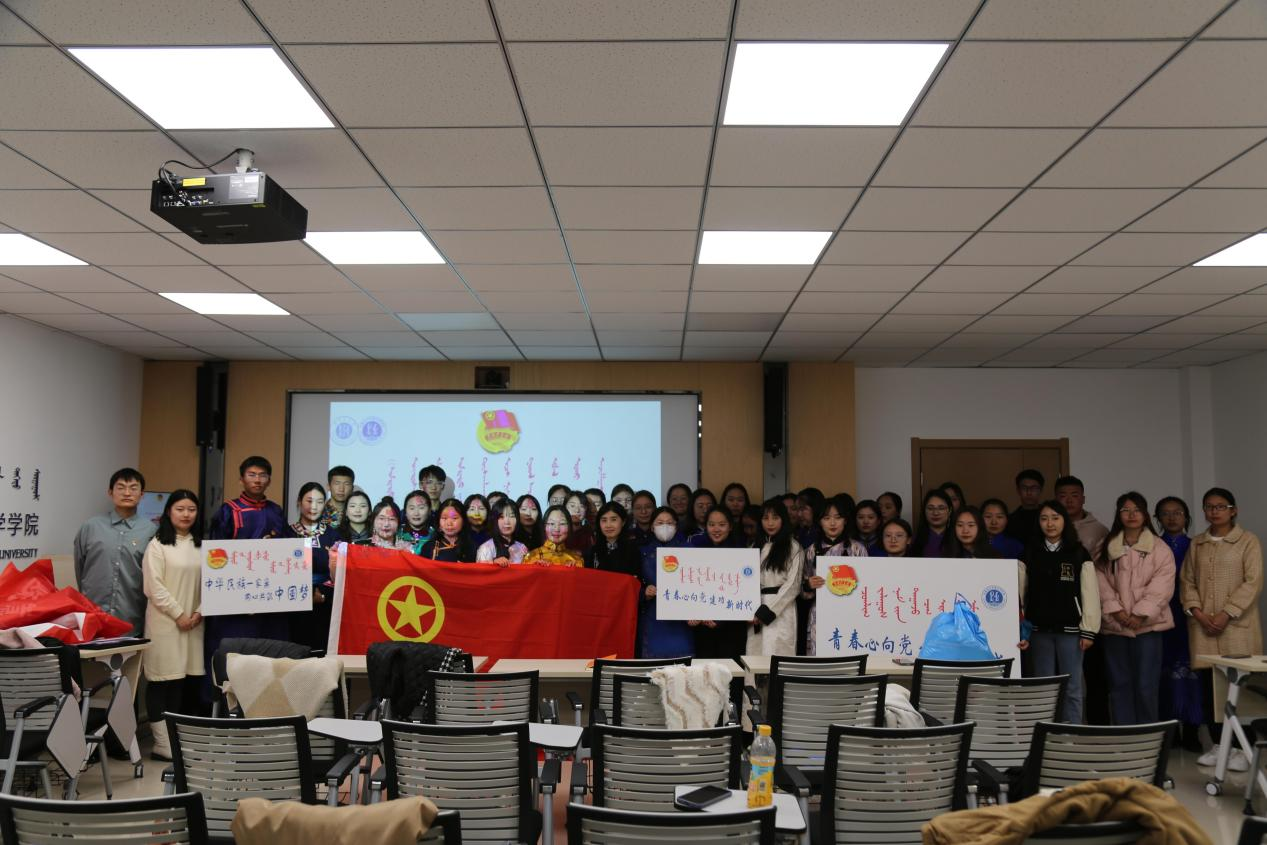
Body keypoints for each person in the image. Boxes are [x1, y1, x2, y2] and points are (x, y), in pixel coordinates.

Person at [1181, 487, 1263, 770]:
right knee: (1209, 689)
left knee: (1239, 688)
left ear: (1233, 510)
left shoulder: (1247, 541)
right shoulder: (1197, 544)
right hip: (1203, 626)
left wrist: (1227, 613)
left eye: (1220, 506)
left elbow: (1253, 582)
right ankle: (1219, 745)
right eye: (1209, 507)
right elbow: (1187, 582)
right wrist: (1198, 612)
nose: (1214, 511)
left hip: (1237, 627)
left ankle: (1242, 748)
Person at [1097, 492, 1175, 726]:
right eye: (1125, 510)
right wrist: (1116, 611)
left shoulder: (1159, 548)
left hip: (1148, 627)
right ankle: (1124, 735)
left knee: (1146, 685)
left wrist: (1140, 614)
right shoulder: (1106, 546)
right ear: (1118, 514)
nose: (1131, 515)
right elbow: (1098, 580)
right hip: (1115, 626)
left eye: (1137, 510)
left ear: (1145, 514)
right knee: (1119, 684)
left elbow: (1163, 584)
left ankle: (1147, 736)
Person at [1018, 500, 1100, 724]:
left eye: (1055, 518)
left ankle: (1071, 731)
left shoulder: (1078, 553)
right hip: (1038, 631)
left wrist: (1089, 630)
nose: (1050, 523)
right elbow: (1019, 595)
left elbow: (1090, 594)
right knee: (1043, 687)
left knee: (1072, 686)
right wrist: (1021, 629)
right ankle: (1044, 732)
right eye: (1044, 518)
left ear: (1065, 521)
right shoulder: (1030, 552)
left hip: (1071, 631)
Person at [142, 489, 205, 761]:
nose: (186, 514)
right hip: (166, 624)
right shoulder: (157, 545)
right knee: (161, 681)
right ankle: (161, 744)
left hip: (195, 623)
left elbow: (213, 583)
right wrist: (179, 614)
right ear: (169, 512)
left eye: (191, 509)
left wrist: (200, 611)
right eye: (180, 509)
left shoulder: (202, 545)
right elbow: (153, 587)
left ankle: (175, 740)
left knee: (181, 681)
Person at [205, 456, 290, 660]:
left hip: (270, 598)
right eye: (252, 475)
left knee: (270, 656)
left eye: (262, 475)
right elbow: (216, 559)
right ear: (241, 479)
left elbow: (287, 552)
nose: (257, 480)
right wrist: (240, 599)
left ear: (269, 480)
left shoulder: (276, 511)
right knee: (234, 657)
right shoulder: (228, 511)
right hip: (237, 601)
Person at [73, 467, 157, 636]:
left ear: (142, 495)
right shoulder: (91, 527)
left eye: (133, 488)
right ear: (110, 492)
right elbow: (80, 569)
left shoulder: (151, 531)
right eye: (121, 487)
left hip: (132, 619)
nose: (127, 493)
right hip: (93, 617)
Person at [1154, 495, 1202, 751]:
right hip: (1160, 616)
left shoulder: (1197, 546)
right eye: (1165, 513)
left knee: (1191, 673)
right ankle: (1169, 731)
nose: (1172, 518)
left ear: (1187, 517)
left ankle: (1192, 730)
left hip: (1191, 617)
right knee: (1163, 673)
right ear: (1157, 518)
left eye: (1178, 513)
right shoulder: (1152, 546)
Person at [803, 494, 868, 655]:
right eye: (827, 518)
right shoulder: (811, 550)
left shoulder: (857, 549)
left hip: (851, 612)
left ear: (845, 520)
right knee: (820, 656)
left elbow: (867, 585)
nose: (832, 523)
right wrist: (808, 585)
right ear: (820, 521)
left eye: (838, 518)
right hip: (821, 611)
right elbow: (802, 588)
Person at [687, 506, 748, 659]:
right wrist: (692, 614)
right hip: (703, 627)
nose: (716, 529)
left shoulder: (741, 553)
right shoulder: (696, 552)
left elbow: (744, 594)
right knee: (705, 670)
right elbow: (689, 588)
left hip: (732, 629)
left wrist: (721, 619)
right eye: (711, 524)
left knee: (730, 671)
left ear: (730, 526)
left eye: (722, 525)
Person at [748, 498, 804, 657]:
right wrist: (748, 610)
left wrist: (768, 611)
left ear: (783, 519)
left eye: (775, 518)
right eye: (765, 518)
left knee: (778, 655)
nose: (770, 523)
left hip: (781, 610)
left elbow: (793, 585)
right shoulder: (754, 547)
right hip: (756, 609)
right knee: (755, 656)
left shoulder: (794, 547)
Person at [287, 482, 336, 651]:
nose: (313, 507)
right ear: (299, 502)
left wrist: (322, 595)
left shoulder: (333, 535)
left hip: (325, 605)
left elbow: (341, 574)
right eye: (309, 501)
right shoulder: (287, 533)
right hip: (293, 606)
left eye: (319, 502)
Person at [639, 507, 694, 658]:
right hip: (653, 616)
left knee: (682, 665)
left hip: (682, 619)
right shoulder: (642, 552)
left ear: (676, 526)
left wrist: (697, 612)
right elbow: (634, 584)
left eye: (669, 523)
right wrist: (644, 592)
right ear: (652, 526)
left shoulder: (689, 550)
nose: (665, 526)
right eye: (660, 523)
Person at [1055, 476, 1109, 564]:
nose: (1069, 501)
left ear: (1083, 499)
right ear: (1055, 500)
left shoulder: (1099, 530)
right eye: (1063, 496)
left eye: (1074, 496)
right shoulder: (1048, 527)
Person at [586, 502, 642, 578]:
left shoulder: (633, 549)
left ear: (623, 522)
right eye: (604, 520)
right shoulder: (593, 551)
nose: (608, 525)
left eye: (613, 520)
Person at [476, 500, 528, 565]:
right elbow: (480, 570)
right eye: (501, 517)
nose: (507, 522)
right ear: (494, 520)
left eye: (512, 516)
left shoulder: (522, 548)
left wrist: (536, 565)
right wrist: (493, 563)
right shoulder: (486, 548)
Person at [1007, 469, 1046, 549]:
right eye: (1024, 488)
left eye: (1034, 488)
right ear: (1018, 490)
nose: (1029, 492)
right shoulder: (1010, 520)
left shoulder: (1050, 517)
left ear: (1041, 490)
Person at [912, 489, 953, 558]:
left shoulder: (957, 538)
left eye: (941, 508)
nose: (935, 513)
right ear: (924, 511)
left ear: (950, 511)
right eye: (930, 508)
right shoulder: (913, 540)